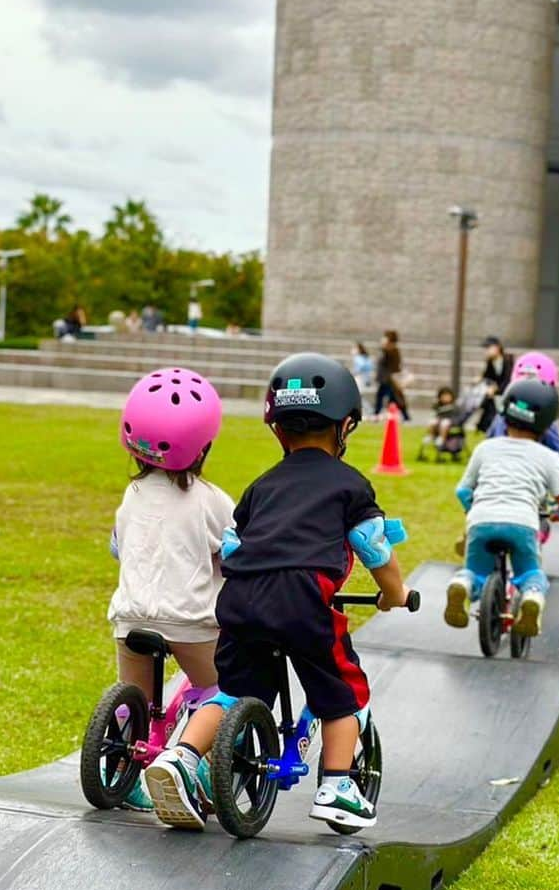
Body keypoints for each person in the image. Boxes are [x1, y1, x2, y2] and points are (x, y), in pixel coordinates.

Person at [146, 352, 412, 833]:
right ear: (346, 425)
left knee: (234, 690)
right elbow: (374, 548)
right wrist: (395, 593)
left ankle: (181, 757)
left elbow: (231, 545)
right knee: (343, 693)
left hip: (243, 598)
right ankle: (337, 786)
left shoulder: (261, 487)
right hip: (304, 600)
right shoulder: (351, 486)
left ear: (277, 429)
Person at [107, 368, 235, 811]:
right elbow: (238, 553)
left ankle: (118, 771)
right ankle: (192, 763)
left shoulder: (133, 493)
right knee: (226, 687)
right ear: (203, 446)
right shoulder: (212, 500)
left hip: (129, 618)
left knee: (135, 701)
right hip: (189, 622)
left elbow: (117, 547)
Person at [444, 378, 559, 639]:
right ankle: (531, 597)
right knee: (531, 573)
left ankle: (461, 583)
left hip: (481, 521)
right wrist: (558, 513)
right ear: (547, 423)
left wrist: (472, 509)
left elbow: (462, 490)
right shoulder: (548, 457)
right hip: (522, 523)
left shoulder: (485, 448)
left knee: (475, 571)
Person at [485, 351, 559, 477]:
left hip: (497, 470)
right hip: (529, 473)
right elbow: (557, 448)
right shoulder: (545, 419)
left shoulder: (502, 414)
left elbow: (489, 438)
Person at [474, 336, 514, 434]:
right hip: (495, 395)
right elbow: (488, 376)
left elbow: (508, 380)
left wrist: (496, 389)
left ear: (498, 347)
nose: (486, 351)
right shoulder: (490, 361)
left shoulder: (508, 360)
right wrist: (480, 378)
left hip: (507, 393)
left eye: (489, 348)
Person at [419, 386, 468, 461]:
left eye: (447, 396)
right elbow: (434, 416)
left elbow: (459, 419)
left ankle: (441, 439)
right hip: (437, 427)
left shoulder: (455, 407)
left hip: (450, 427)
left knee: (445, 422)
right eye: (443, 396)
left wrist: (451, 422)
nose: (445, 398)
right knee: (433, 421)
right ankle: (431, 436)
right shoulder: (437, 407)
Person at [374, 330, 409, 420]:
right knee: (393, 397)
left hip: (389, 379)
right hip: (385, 378)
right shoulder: (387, 349)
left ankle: (377, 413)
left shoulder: (392, 350)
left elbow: (394, 365)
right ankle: (405, 416)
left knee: (392, 397)